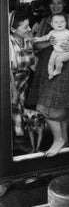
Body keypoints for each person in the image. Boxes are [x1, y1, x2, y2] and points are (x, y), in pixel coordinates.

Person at [28, 0, 69, 157]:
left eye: (59, 2)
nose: (55, 6)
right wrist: (50, 42)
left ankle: (58, 140)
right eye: (52, 3)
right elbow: (37, 45)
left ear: (65, 4)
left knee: (48, 105)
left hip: (64, 65)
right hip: (46, 65)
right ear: (49, 5)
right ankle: (65, 141)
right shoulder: (46, 20)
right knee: (52, 104)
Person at [34, 13, 69, 79]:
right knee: (50, 62)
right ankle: (50, 73)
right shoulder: (52, 32)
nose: (59, 24)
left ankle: (58, 70)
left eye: (62, 22)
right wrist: (39, 39)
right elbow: (45, 37)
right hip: (56, 51)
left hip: (66, 52)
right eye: (56, 22)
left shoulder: (68, 32)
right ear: (52, 25)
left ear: (66, 23)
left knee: (58, 59)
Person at [9, 10, 35, 139]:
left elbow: (35, 53)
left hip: (24, 82)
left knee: (20, 110)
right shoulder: (8, 43)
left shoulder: (26, 39)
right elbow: (7, 70)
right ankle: (14, 143)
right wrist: (13, 91)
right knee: (12, 109)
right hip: (12, 82)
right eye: (25, 27)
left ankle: (18, 140)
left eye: (29, 25)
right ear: (13, 29)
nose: (29, 29)